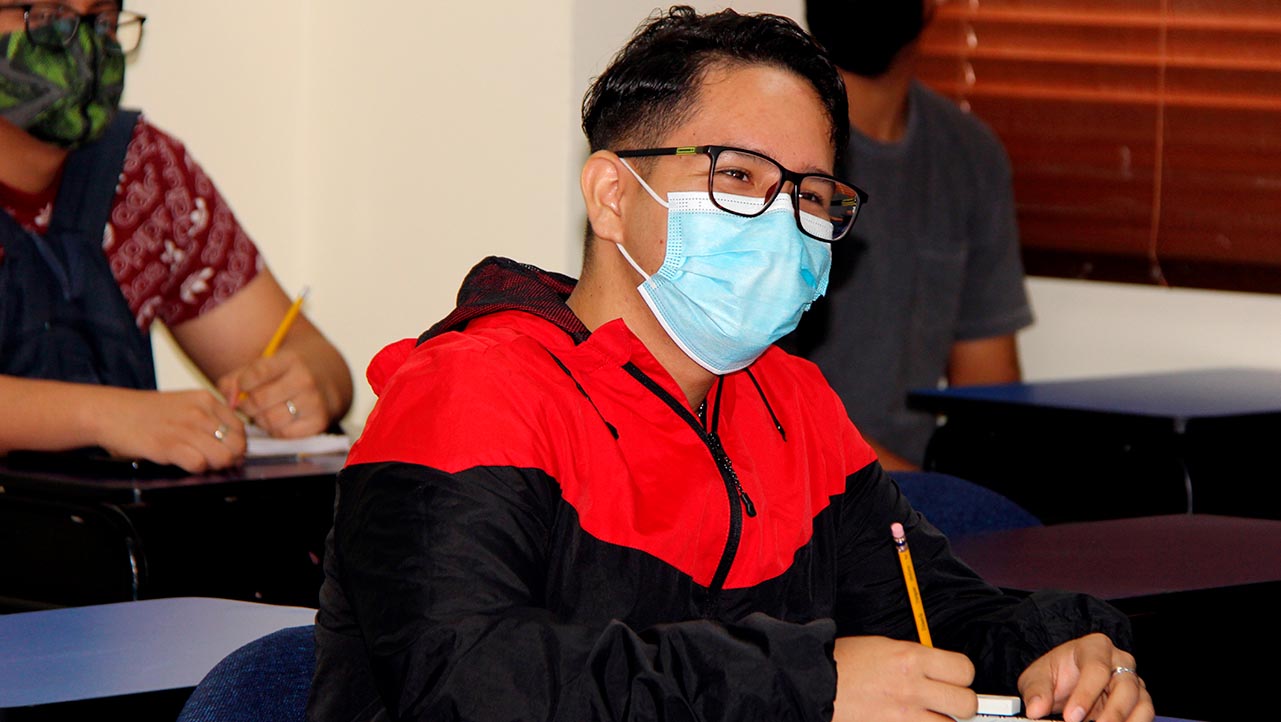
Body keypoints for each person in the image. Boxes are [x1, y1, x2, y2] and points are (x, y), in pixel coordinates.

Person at [310, 7, 1152, 722]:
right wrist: (802, 686)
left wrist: (1059, 652)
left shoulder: (790, 402)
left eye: (811, 194)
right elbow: (464, 682)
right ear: (611, 195)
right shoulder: (473, 390)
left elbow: (936, 615)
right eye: (738, 176)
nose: (781, 219)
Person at [0, 0, 353, 473]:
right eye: (46, 16)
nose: (83, 45)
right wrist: (106, 416)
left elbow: (310, 357)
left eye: (102, 20)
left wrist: (309, 389)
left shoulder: (143, 173)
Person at [791, 0, 1033, 471]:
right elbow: (752, 391)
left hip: (915, 489)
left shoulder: (969, 156)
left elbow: (988, 391)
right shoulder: (778, 155)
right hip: (797, 482)